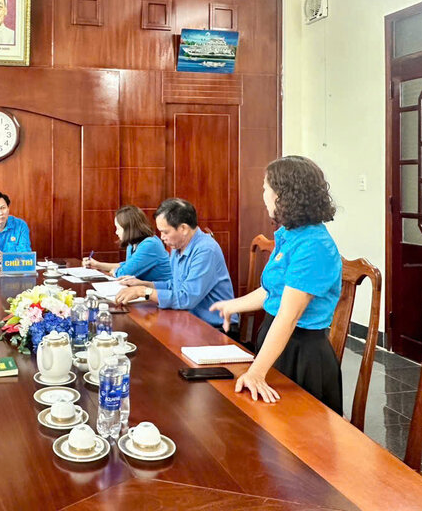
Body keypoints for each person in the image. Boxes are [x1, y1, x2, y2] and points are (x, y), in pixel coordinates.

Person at [211, 156, 343, 413]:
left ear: (283, 195)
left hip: (301, 355)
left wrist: (256, 373)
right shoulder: (290, 235)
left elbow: (289, 315)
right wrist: (232, 306)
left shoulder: (314, 245)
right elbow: (272, 291)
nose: (263, 195)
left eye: (265, 188)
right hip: (277, 345)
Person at [115, 198, 234, 330]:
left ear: (183, 228)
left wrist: (144, 291)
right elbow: (174, 285)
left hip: (216, 328)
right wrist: (143, 284)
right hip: (187, 320)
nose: (162, 237)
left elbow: (186, 298)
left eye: (165, 232)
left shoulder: (206, 250)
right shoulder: (177, 247)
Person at [82, 205, 171, 282]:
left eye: (118, 228)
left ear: (129, 229)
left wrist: (115, 272)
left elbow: (123, 273)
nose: (116, 232)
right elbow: (127, 265)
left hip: (162, 293)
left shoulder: (150, 244)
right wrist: (97, 265)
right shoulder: (132, 244)